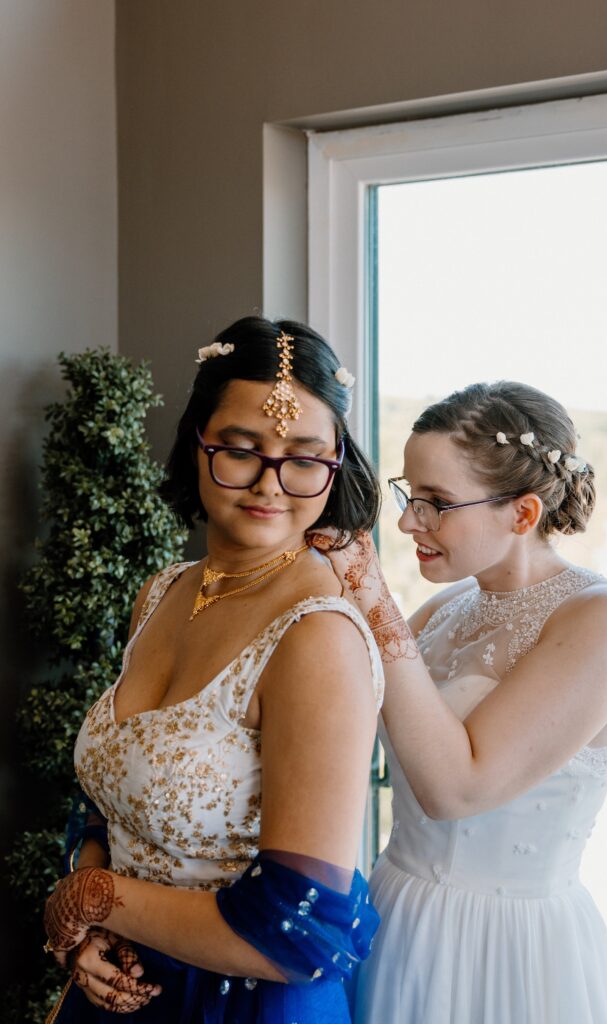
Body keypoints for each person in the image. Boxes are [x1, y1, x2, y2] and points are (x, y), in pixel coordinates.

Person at [42, 317, 384, 1023]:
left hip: (241, 1004)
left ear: (336, 463)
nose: (270, 483)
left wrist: (94, 900)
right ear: (197, 442)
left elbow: (299, 934)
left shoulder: (317, 637)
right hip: (121, 975)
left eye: (303, 457)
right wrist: (89, 924)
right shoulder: (163, 590)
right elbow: (110, 790)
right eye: (240, 448)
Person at [314, 381, 607, 1024]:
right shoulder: (442, 609)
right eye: (409, 496)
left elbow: (455, 789)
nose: (409, 522)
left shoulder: (605, 618)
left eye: (436, 503)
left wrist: (370, 594)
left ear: (522, 515)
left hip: (506, 950)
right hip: (396, 915)